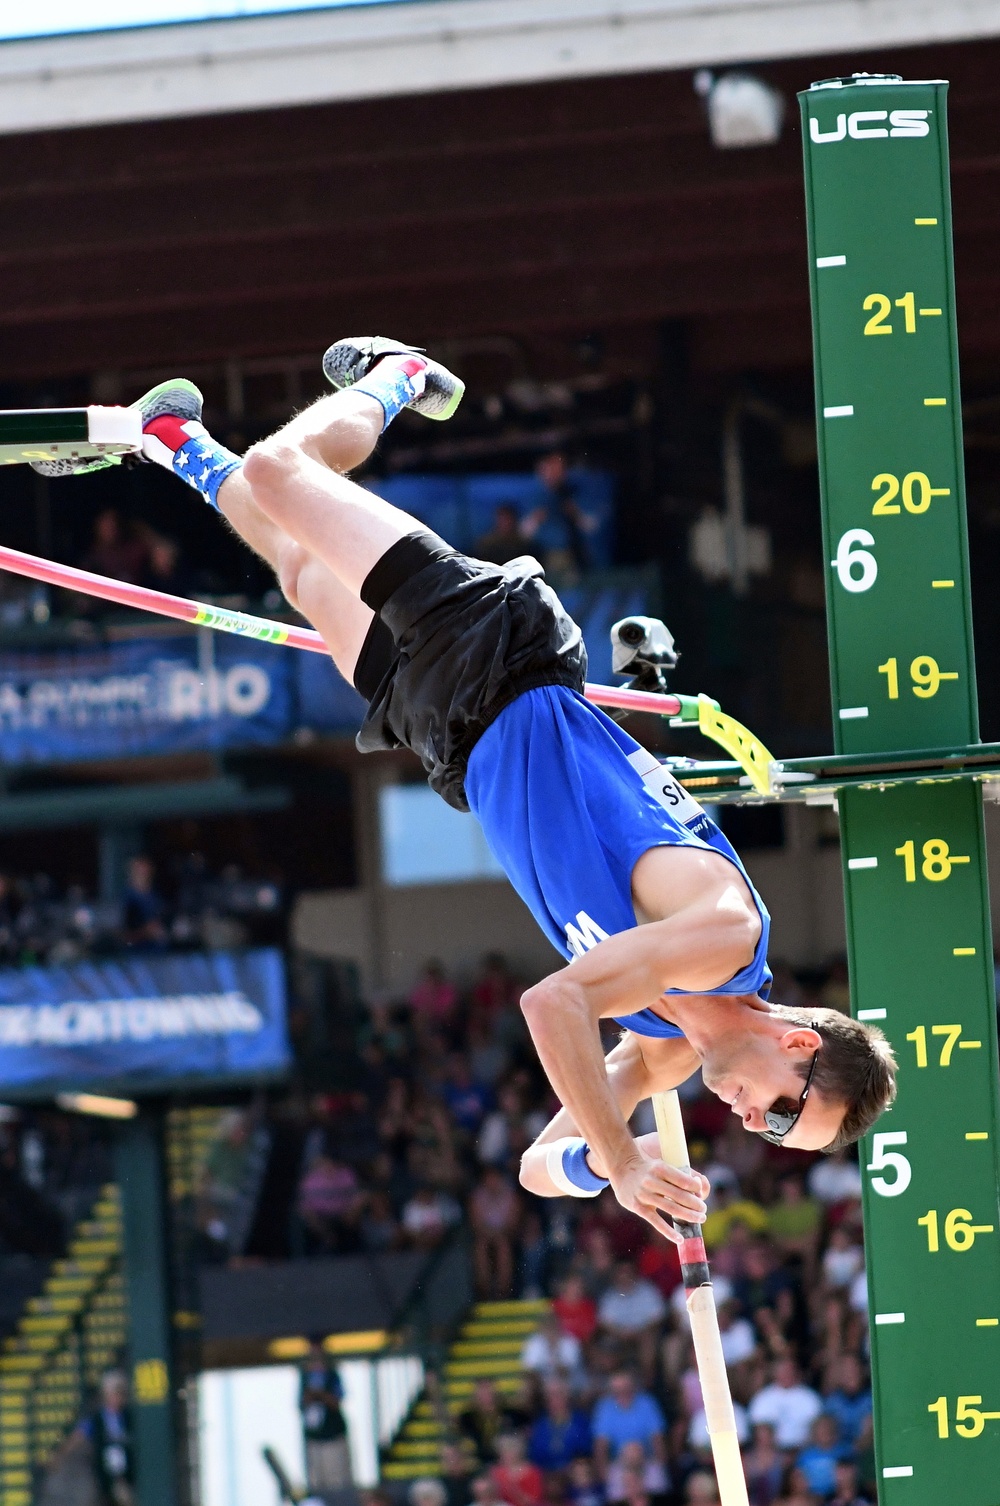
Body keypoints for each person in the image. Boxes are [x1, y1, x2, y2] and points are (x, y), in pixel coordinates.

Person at [50, 340, 896, 1233]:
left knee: (300, 572)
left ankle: (171, 432)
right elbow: (555, 1002)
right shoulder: (726, 937)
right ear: (800, 1043)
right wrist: (619, 1157)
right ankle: (402, 378)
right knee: (281, 469)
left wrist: (599, 1168)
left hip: (449, 741)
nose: (752, 1124)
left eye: (772, 1134)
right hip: (497, 662)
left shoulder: (663, 1054)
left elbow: (536, 1166)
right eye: (783, 1112)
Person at [591, 1372, 666, 1486]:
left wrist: (660, 1467)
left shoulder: (647, 1403)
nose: (622, 1394)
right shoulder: (605, 1407)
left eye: (626, 1389)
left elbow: (657, 1440)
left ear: (633, 1387)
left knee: (657, 1479)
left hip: (646, 1460)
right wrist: (604, 1476)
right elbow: (601, 1446)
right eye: (617, 1391)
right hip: (619, 1464)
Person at [73, 1370, 133, 1506]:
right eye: (114, 1394)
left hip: (127, 1473)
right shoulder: (97, 1418)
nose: (118, 1398)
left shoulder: (129, 1416)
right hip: (104, 1474)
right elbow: (79, 1435)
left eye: (121, 1394)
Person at [300, 1341, 352, 1493]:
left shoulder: (333, 1376)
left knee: (336, 1479)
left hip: (333, 1436)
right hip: (314, 1437)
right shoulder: (305, 1378)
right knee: (317, 1479)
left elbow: (337, 1401)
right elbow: (302, 1403)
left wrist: (322, 1395)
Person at [747, 1359, 823, 1452]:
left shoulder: (810, 1397)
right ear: (775, 1374)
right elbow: (757, 1428)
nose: (787, 1374)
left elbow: (819, 1428)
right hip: (772, 1452)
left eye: (790, 1371)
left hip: (803, 1450)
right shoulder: (762, 1398)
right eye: (783, 1371)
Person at [527, 1377, 592, 1473]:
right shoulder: (540, 1425)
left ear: (567, 1396)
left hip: (574, 1475)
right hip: (547, 1476)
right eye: (549, 1396)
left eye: (557, 1395)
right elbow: (535, 1455)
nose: (553, 1400)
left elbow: (586, 1451)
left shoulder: (580, 1422)